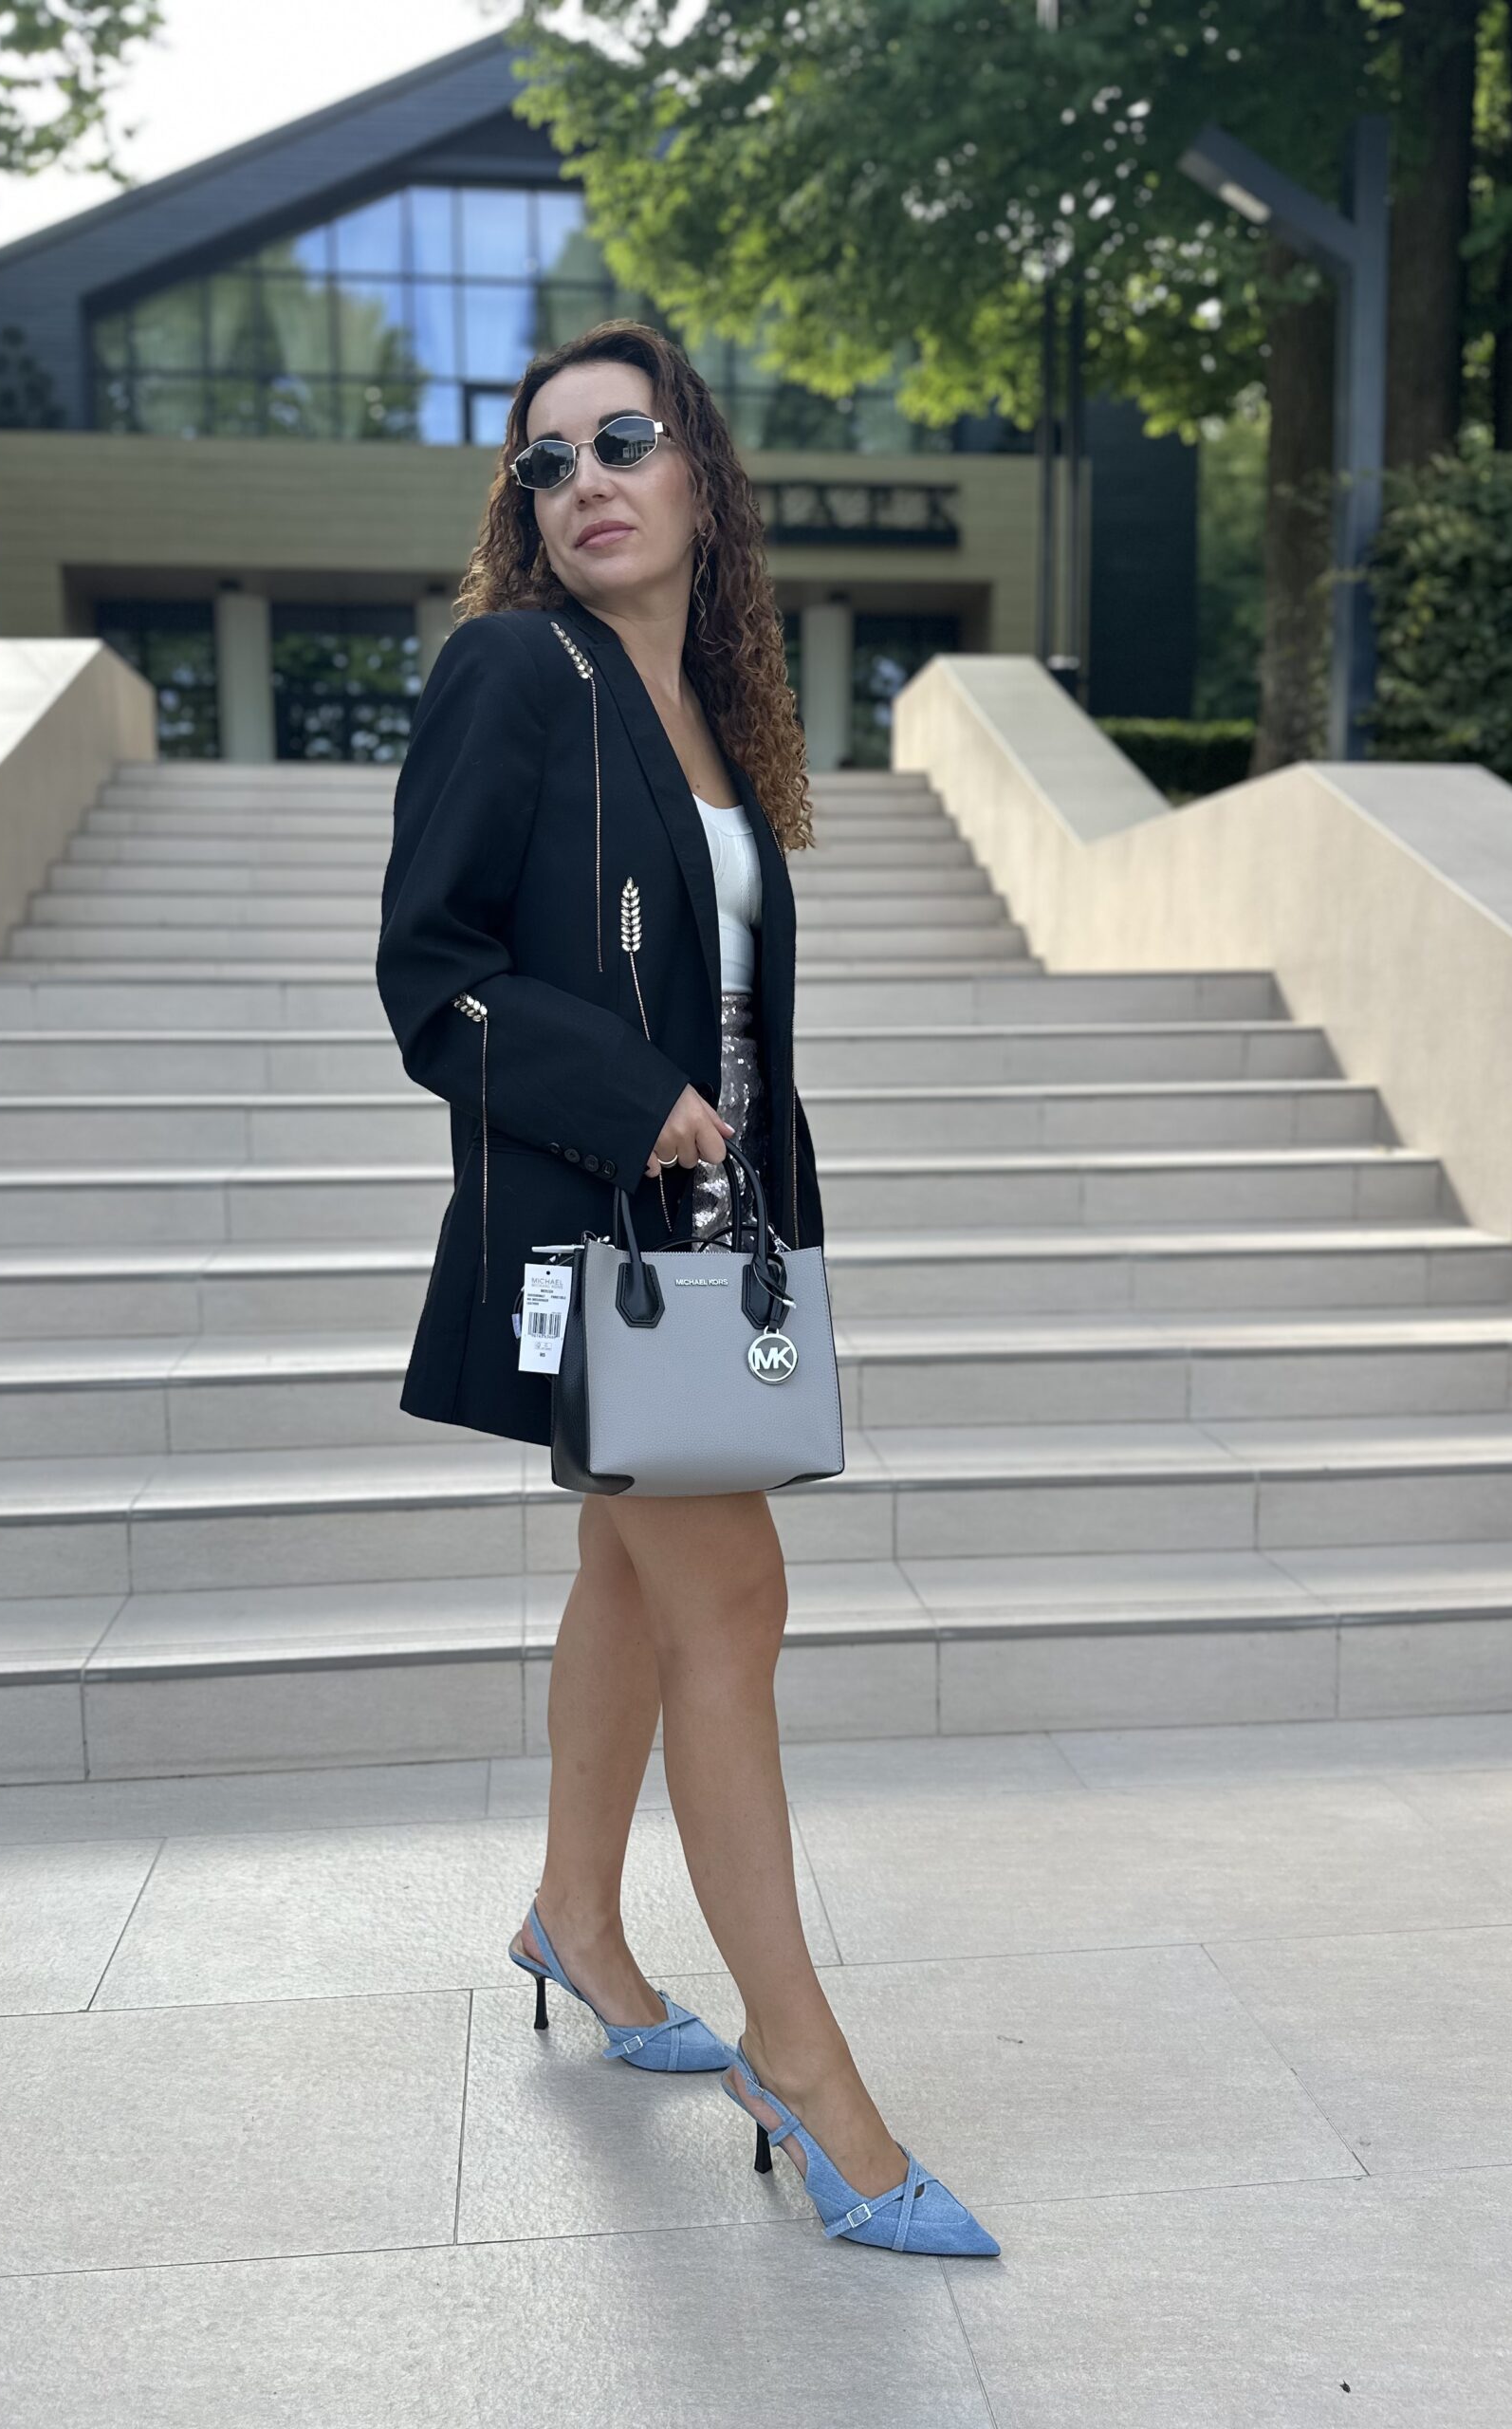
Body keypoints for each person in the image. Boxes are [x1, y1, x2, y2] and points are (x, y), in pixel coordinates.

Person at [375, 319, 999, 2259]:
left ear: (703, 477)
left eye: (624, 439)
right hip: (591, 1237)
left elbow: (736, 1023)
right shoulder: (515, 669)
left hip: (708, 1246)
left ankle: (576, 1912)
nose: (584, 480)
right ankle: (801, 2064)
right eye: (545, 460)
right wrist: (622, 1092)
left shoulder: (712, 721)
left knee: (633, 1583)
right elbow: (431, 973)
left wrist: (776, 1228)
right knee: (733, 1596)